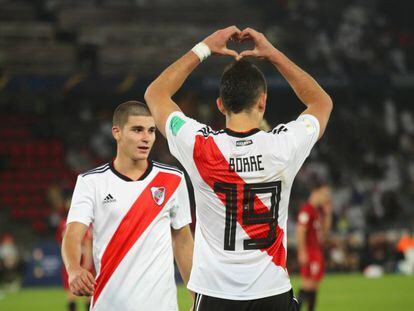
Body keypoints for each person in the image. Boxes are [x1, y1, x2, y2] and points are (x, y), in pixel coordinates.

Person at [145, 26, 333, 311]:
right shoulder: (284, 145)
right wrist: (273, 54)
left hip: (216, 294)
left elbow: (156, 94)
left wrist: (205, 47)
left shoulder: (199, 147)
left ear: (220, 105)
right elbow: (321, 102)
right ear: (263, 101)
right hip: (272, 292)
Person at [61, 101, 194, 311]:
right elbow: (73, 235)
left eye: (151, 131)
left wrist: (197, 298)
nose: (146, 138)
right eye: (137, 130)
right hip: (109, 305)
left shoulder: (173, 179)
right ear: (117, 132)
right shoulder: (90, 182)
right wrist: (74, 269)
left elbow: (183, 241)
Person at [296, 183, 332, 311]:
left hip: (317, 251)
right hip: (310, 252)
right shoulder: (307, 210)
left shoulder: (317, 211)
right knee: (307, 285)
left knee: (314, 286)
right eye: (325, 194)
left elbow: (324, 235)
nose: (327, 198)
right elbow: (300, 230)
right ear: (316, 193)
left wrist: (328, 214)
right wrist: (302, 251)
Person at [57, 199, 94, 311]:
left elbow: (63, 244)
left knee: (71, 292)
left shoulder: (63, 223)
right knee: (89, 293)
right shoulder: (85, 223)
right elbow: (87, 244)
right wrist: (88, 263)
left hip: (71, 260)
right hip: (81, 258)